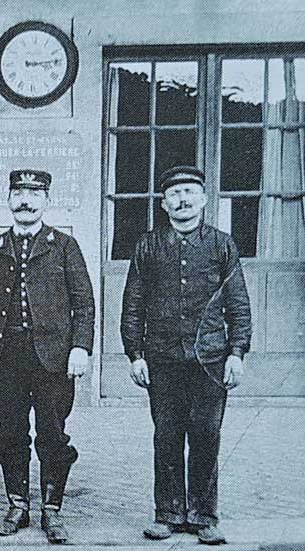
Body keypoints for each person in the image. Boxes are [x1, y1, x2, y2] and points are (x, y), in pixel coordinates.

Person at [0, 169, 95, 544]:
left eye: (34, 194)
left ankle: (52, 511)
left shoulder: (64, 246)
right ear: (9, 199)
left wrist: (80, 348)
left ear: (46, 200)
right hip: (5, 358)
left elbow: (84, 303)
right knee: (11, 433)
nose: (26, 200)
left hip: (52, 359)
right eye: (19, 192)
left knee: (53, 434)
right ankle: (17, 506)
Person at [121, 165, 251, 546]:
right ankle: (168, 514)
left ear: (204, 199)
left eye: (190, 192)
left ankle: (204, 516)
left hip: (211, 361)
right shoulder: (148, 245)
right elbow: (133, 305)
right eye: (175, 193)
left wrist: (237, 352)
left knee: (207, 434)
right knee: (167, 435)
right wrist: (135, 354)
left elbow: (238, 304)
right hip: (161, 360)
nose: (182, 199)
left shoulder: (222, 245)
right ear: (164, 203)